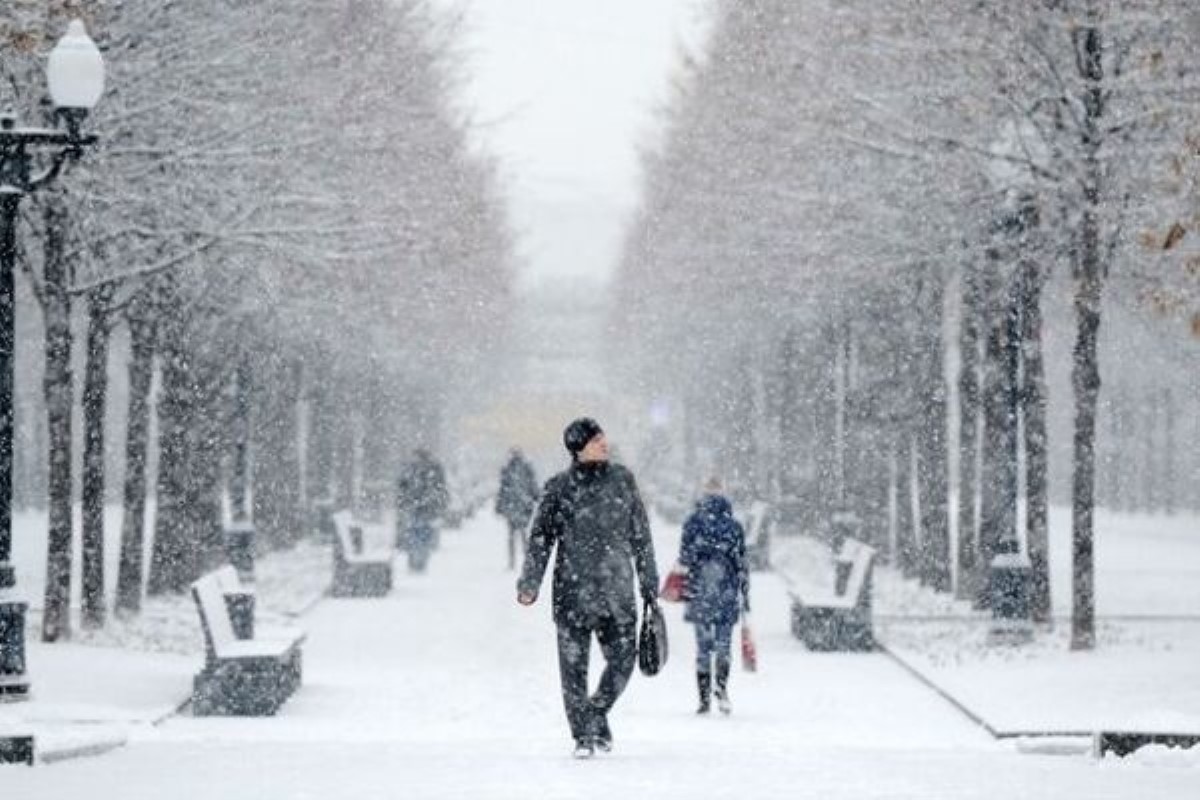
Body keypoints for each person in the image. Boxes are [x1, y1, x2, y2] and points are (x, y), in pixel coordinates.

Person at [517, 418, 660, 759]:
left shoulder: (623, 481)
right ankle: (582, 736)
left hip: (617, 591)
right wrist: (529, 582)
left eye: (603, 437)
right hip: (572, 593)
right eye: (596, 440)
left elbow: (640, 534)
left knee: (624, 662)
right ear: (578, 447)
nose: (604, 443)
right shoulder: (559, 488)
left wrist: (649, 581)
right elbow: (540, 540)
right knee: (573, 671)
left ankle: (595, 712)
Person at [678, 477, 749, 715]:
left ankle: (704, 698)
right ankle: (722, 690)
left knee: (703, 647)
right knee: (723, 645)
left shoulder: (692, 522)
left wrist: (699, 553)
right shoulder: (734, 526)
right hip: (727, 591)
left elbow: (684, 557)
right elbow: (742, 563)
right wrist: (745, 595)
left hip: (700, 591)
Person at [396, 448, 450, 572]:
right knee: (423, 533)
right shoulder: (434, 468)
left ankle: (415, 559)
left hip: (414, 506)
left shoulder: (409, 468)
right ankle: (421, 560)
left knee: (414, 532)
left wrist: (403, 502)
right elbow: (441, 488)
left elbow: (401, 487)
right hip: (427, 507)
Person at [495, 448, 540, 570]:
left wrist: (499, 506)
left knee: (512, 535)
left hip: (512, 507)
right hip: (524, 506)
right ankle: (526, 561)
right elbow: (533, 486)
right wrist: (536, 498)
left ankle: (512, 561)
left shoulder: (507, 469)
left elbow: (502, 490)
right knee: (524, 534)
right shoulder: (526, 468)